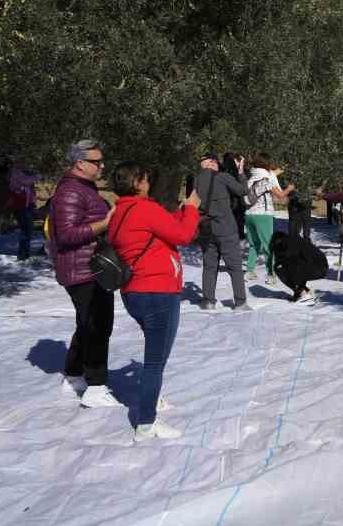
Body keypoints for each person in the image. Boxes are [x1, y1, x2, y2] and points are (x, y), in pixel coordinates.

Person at [106, 162, 200, 440]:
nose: (150, 182)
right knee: (155, 361)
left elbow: (162, 227)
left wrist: (181, 213)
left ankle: (152, 395)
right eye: (146, 178)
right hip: (157, 291)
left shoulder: (120, 212)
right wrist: (192, 208)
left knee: (156, 354)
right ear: (138, 183)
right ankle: (146, 422)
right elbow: (183, 235)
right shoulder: (145, 209)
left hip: (133, 292)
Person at [49, 140, 120, 409]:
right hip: (82, 271)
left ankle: (74, 374)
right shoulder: (70, 192)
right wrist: (106, 222)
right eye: (96, 161)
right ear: (79, 163)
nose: (101, 165)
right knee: (97, 326)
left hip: (90, 268)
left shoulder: (84, 188)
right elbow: (67, 235)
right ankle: (96, 387)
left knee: (88, 323)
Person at [194, 152, 250, 311]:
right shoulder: (222, 177)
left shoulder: (197, 180)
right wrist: (240, 172)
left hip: (206, 228)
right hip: (226, 227)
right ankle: (240, 302)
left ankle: (208, 301)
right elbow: (242, 190)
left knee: (210, 266)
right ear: (212, 163)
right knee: (235, 267)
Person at [243, 155, 293, 284]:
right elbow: (280, 195)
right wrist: (290, 188)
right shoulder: (266, 179)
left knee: (254, 243)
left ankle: (249, 271)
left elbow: (273, 173)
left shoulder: (251, 177)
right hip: (263, 214)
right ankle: (271, 274)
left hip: (249, 214)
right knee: (268, 245)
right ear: (266, 165)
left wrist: (279, 170)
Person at [270, 229, 329, 303]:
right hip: (322, 267)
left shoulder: (287, 243)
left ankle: (302, 292)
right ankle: (303, 291)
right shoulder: (295, 240)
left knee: (280, 268)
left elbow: (291, 262)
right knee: (293, 265)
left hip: (316, 268)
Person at [8, 159, 41, 261]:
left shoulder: (22, 171)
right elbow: (29, 180)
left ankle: (25, 253)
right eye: (22, 161)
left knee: (28, 230)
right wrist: (38, 175)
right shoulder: (15, 172)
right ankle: (22, 255)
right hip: (21, 206)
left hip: (27, 205)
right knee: (26, 230)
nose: (24, 163)